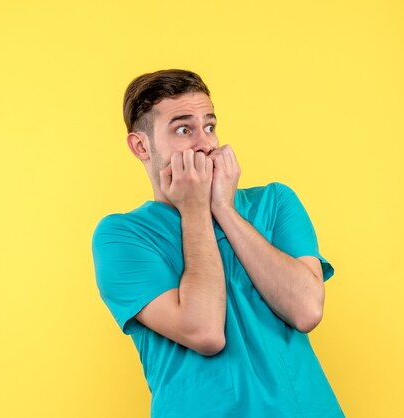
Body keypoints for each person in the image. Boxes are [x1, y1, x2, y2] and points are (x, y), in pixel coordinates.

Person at [91, 69, 344, 417]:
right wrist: (195, 210)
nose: (206, 143)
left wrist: (223, 208)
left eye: (209, 126)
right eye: (184, 129)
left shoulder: (274, 202)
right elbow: (205, 331)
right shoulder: (123, 236)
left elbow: (307, 310)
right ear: (141, 146)